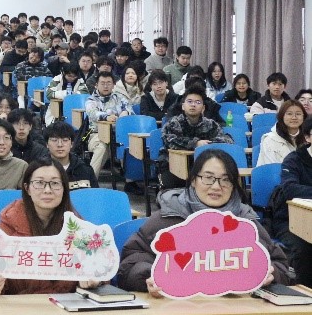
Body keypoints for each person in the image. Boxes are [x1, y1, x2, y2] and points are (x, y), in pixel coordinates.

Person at [120, 149, 289, 295]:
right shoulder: (168, 218)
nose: (216, 186)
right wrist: (150, 276)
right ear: (194, 180)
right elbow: (129, 263)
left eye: (226, 179)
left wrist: (271, 274)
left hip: (234, 309)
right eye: (208, 178)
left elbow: (279, 264)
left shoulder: (244, 222)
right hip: (178, 309)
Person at [0, 160, 100, 297]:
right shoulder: (9, 226)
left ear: (64, 189)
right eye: (39, 183)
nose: (47, 190)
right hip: (20, 306)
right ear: (27, 188)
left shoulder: (77, 226)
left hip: (66, 306)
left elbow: (99, 266)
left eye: (55, 183)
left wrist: (94, 279)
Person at [159, 87, 234, 189]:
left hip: (203, 166)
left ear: (203, 108)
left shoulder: (211, 124)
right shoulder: (173, 123)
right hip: (173, 165)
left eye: (198, 102)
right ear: (183, 106)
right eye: (189, 101)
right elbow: (170, 141)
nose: (193, 105)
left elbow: (227, 140)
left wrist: (207, 144)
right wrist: (196, 143)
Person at [271, 118, 312, 285]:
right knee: (304, 248)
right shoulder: (294, 159)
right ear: (308, 137)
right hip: (290, 221)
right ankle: (306, 292)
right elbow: (290, 189)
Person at [84, 72, 132, 175]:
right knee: (102, 146)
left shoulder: (120, 98)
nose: (106, 86)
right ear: (96, 85)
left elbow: (129, 109)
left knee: (130, 143)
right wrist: (106, 117)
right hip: (97, 134)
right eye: (102, 83)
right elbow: (93, 113)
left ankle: (130, 178)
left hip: (118, 134)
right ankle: (90, 179)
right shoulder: (91, 100)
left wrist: (126, 113)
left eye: (109, 83)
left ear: (114, 85)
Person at [44, 121, 99, 189]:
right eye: (54, 140)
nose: (60, 145)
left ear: (72, 144)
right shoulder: (39, 169)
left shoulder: (85, 169)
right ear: (47, 144)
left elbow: (94, 194)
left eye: (65, 140)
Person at [256, 100, 306, 166]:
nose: (294, 117)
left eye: (298, 114)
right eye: (289, 114)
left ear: (304, 117)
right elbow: (272, 167)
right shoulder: (270, 139)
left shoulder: (308, 138)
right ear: (282, 116)